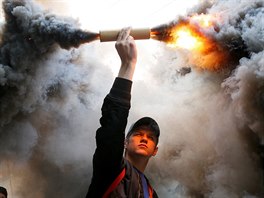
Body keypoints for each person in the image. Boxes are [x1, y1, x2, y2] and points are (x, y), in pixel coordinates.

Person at [86, 27, 160, 198]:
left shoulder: (151, 193)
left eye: (150, 138)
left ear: (155, 150)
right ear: (125, 142)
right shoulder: (111, 168)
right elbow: (112, 127)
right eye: (139, 134)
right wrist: (128, 65)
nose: (144, 138)